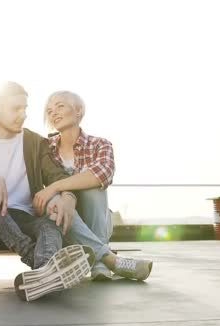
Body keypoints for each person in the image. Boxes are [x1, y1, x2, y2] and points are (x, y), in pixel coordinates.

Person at [0, 82, 94, 301]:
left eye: (25, 108)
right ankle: (31, 256)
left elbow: (57, 176)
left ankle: (43, 272)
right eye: (16, 109)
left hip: (25, 221)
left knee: (51, 219)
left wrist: (68, 199)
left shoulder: (35, 143)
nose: (23, 114)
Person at [33, 90, 153, 281]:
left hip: (96, 219)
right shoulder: (45, 147)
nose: (53, 112)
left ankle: (98, 259)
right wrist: (58, 193)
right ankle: (106, 260)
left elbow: (102, 174)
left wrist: (55, 186)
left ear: (78, 110)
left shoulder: (100, 144)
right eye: (49, 110)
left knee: (92, 188)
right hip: (64, 224)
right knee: (54, 201)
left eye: (60, 106)